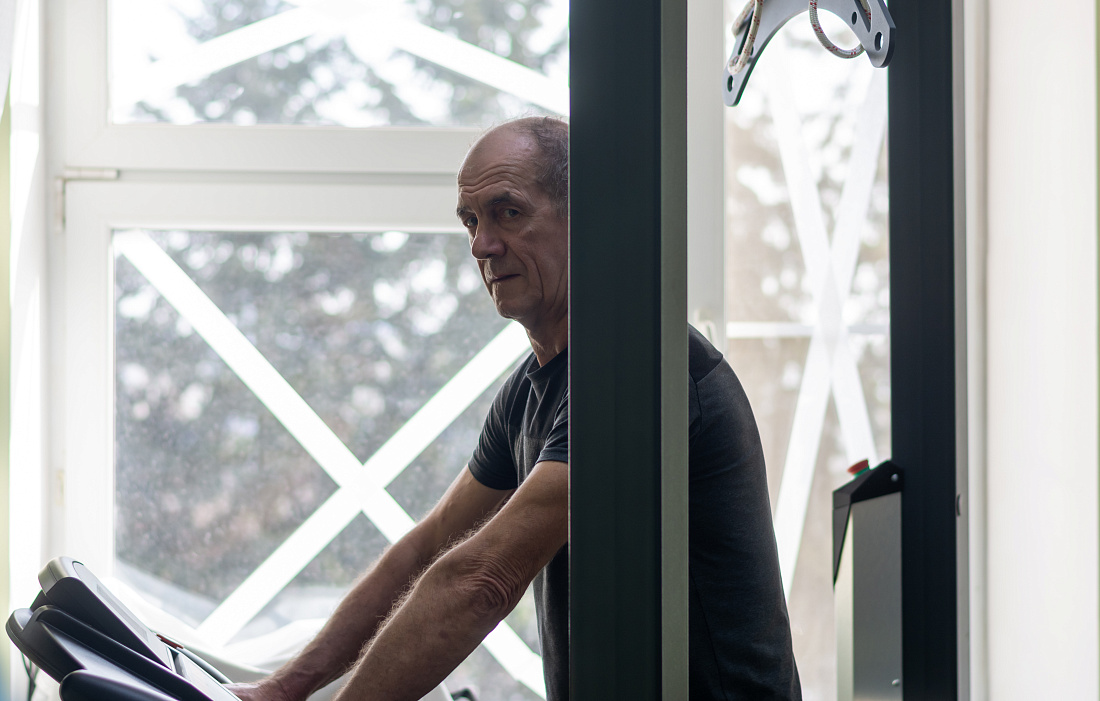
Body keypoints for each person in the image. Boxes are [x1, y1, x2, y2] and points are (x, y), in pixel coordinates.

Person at [230, 116, 800, 701]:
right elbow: (431, 547)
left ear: (585, 217)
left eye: (508, 212)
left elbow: (483, 580)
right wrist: (282, 690)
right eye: (471, 221)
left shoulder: (640, 373)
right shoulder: (529, 392)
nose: (482, 244)